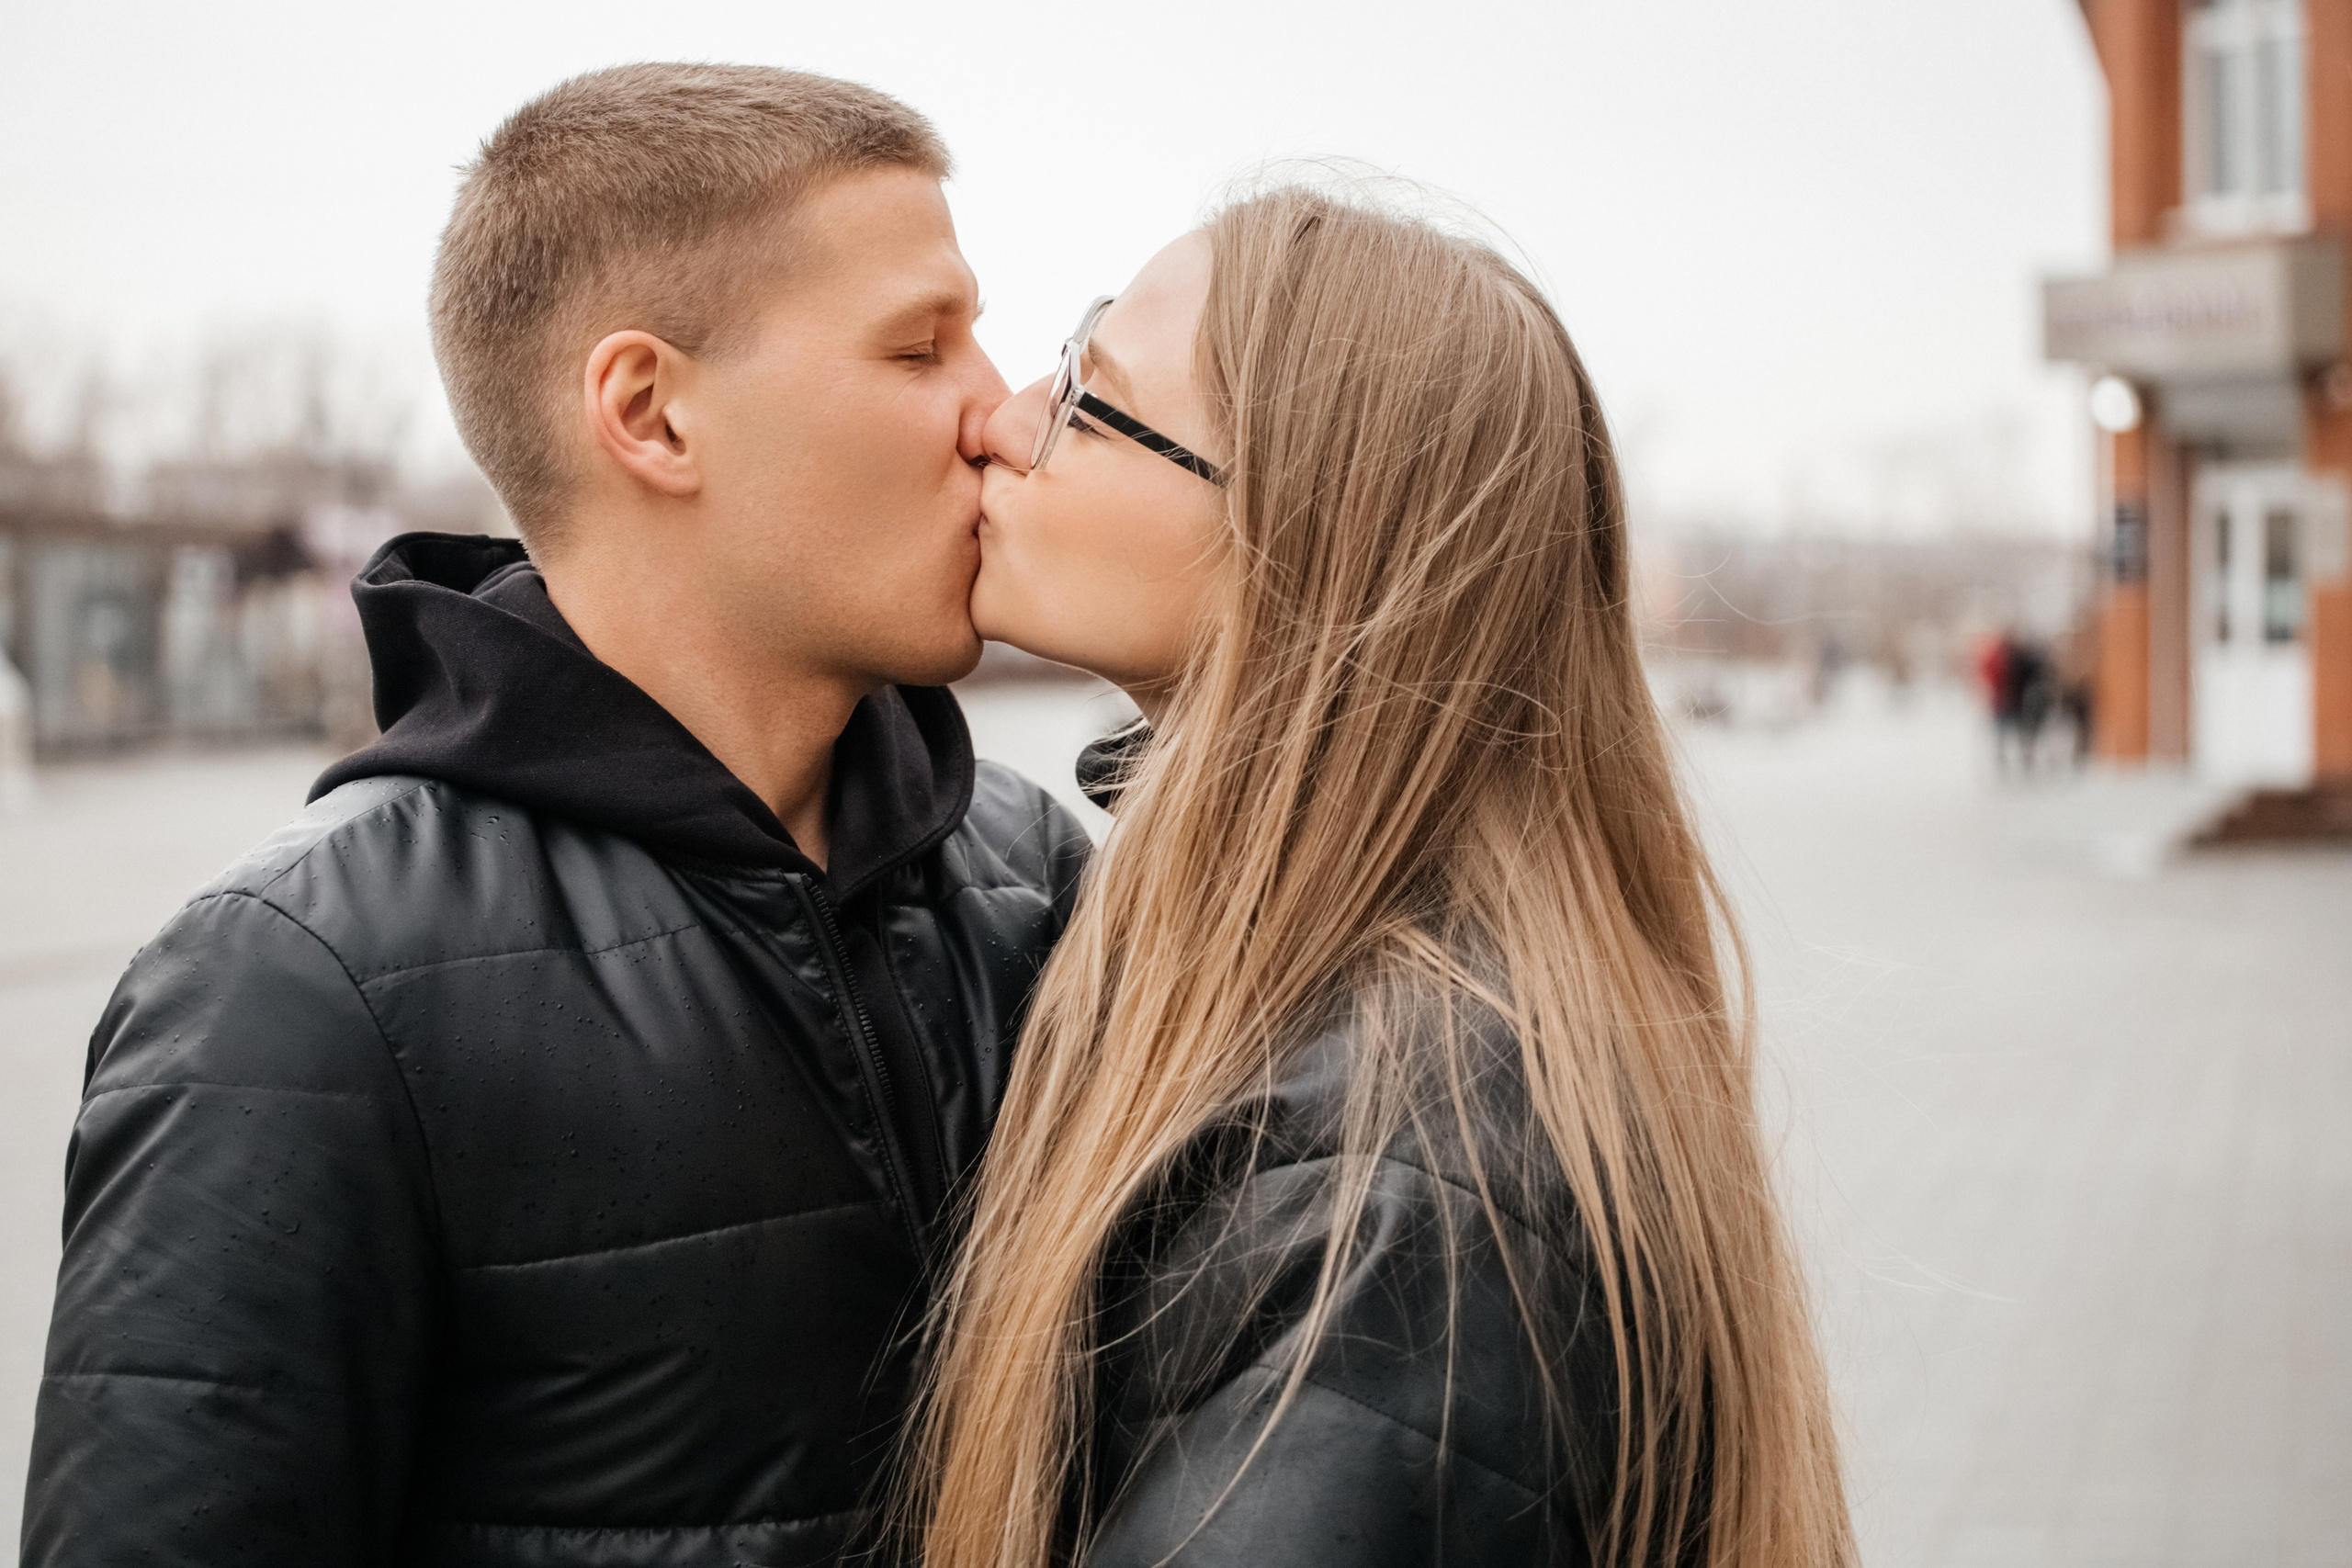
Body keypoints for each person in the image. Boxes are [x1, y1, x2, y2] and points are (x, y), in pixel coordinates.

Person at [22, 65, 1089, 1565]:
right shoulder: (297, 989)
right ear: (649, 413)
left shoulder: (1034, 881)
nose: (1002, 409)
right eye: (922, 346)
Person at [908, 189, 1853, 1566]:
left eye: (1088, 391)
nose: (1001, 418)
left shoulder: (1391, 1178)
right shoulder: (1356, 1011)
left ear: (1299, 531)